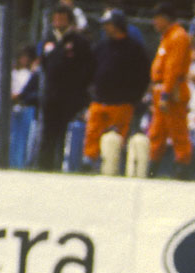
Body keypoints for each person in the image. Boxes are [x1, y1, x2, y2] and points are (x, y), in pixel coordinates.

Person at [83, 9, 149, 171]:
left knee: (117, 140)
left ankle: (115, 168)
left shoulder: (134, 49)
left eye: (109, 24)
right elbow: (91, 69)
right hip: (100, 99)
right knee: (92, 134)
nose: (105, 28)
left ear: (118, 25)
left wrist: (135, 96)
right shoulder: (101, 47)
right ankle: (89, 163)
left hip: (121, 102)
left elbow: (143, 75)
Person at [38, 4, 94, 171]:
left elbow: (88, 67)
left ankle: (64, 165)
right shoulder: (49, 39)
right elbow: (45, 63)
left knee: (65, 133)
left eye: (62, 18)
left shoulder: (78, 42)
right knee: (48, 132)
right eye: (56, 18)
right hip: (52, 94)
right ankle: (44, 166)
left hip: (70, 95)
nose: (58, 22)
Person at [149, 2, 193, 176]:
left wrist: (166, 94)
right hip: (161, 89)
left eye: (156, 19)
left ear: (165, 18)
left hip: (172, 91)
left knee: (177, 131)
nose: (154, 23)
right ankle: (152, 167)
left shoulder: (177, 36)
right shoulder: (167, 37)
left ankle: (183, 168)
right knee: (157, 132)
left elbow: (173, 69)